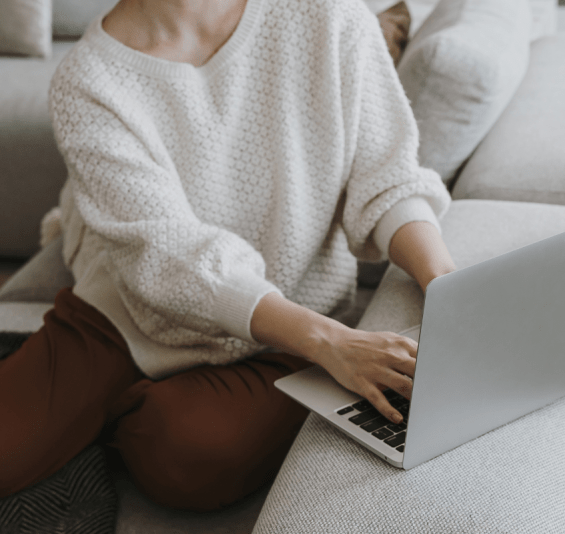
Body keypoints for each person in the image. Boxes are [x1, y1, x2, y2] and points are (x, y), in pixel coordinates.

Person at [0, 0, 455, 511]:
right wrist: (330, 343)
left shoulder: (331, 16)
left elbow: (389, 180)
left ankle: (117, 413)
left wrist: (444, 282)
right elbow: (168, 255)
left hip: (287, 325)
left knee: (185, 457)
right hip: (125, 315)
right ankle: (108, 403)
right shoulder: (87, 79)